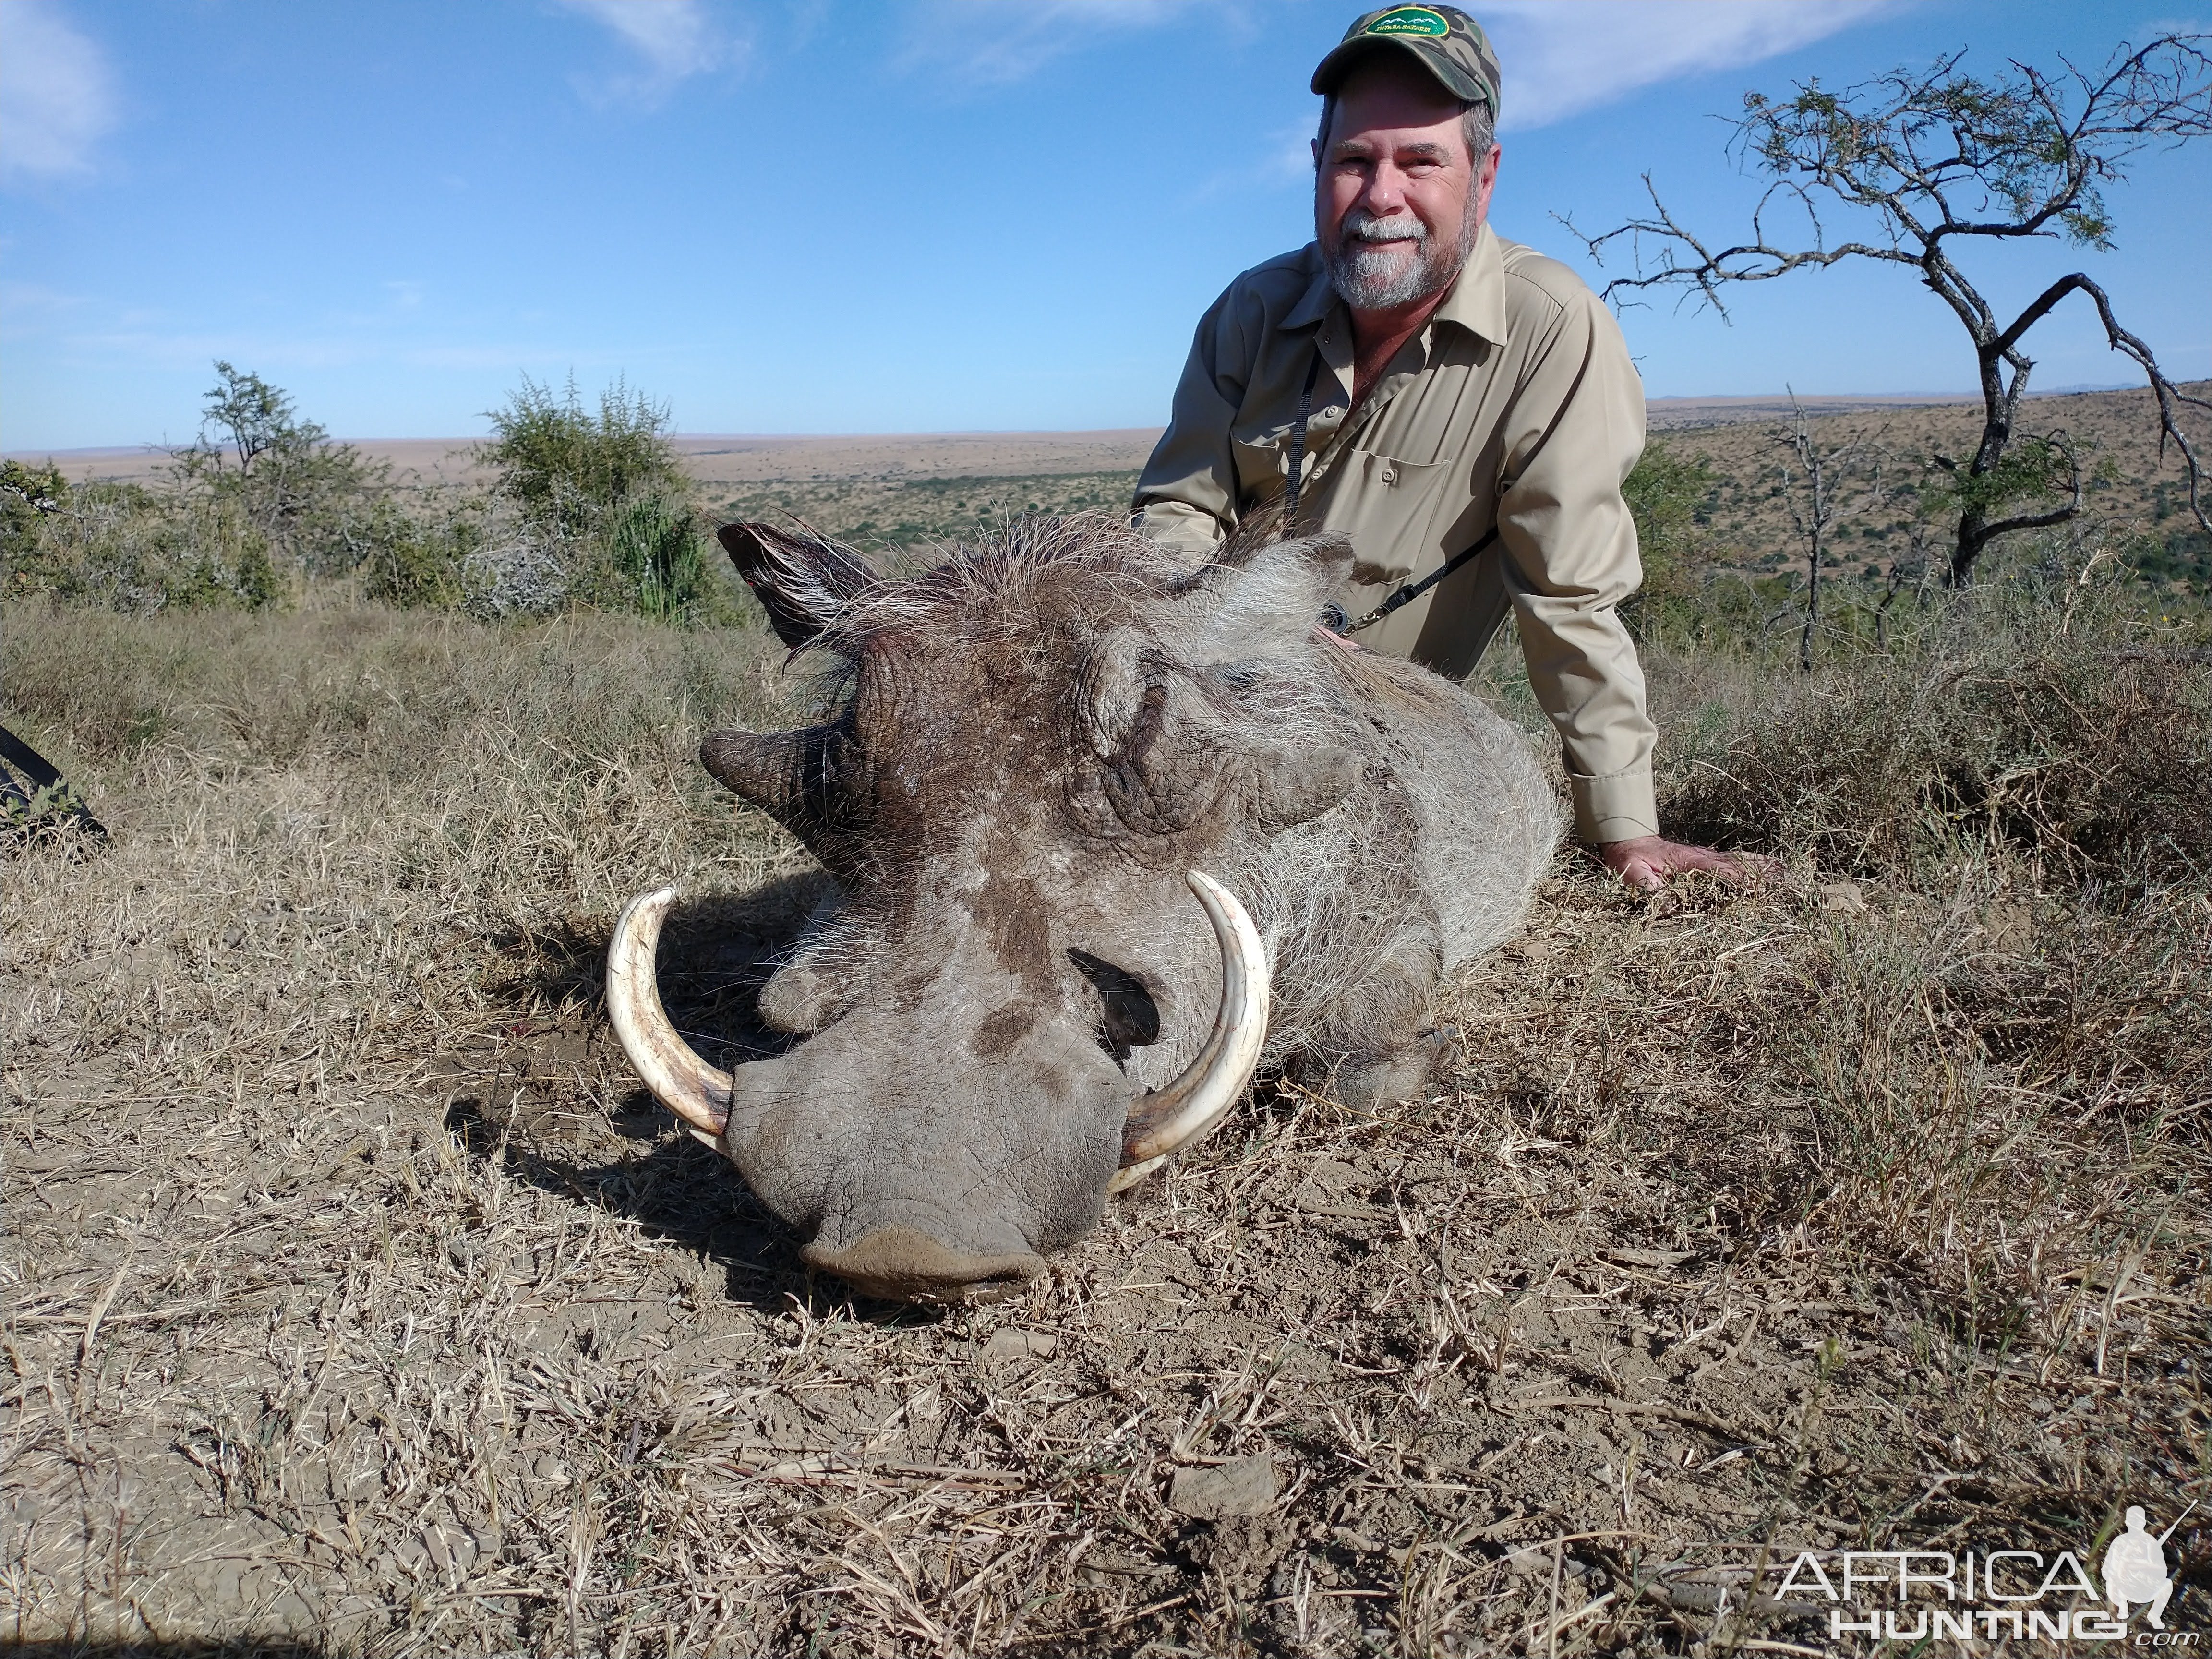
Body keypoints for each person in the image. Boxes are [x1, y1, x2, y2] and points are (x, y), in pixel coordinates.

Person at [1134, 4, 1762, 890]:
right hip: (1207, 684)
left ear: (1485, 176)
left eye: (1421, 160)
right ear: (1318, 166)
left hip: (1386, 742)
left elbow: (1570, 595)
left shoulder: (1555, 331)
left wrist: (1624, 829)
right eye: (1355, 160)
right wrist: (1247, 631)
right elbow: (1173, 512)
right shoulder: (1251, 311)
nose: (1381, 195)